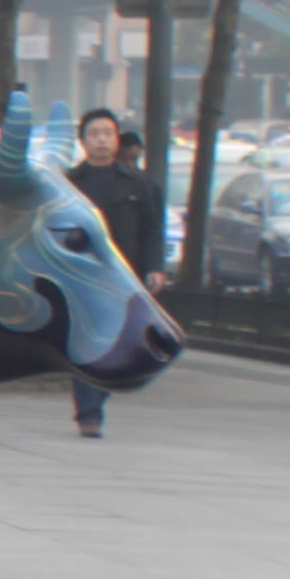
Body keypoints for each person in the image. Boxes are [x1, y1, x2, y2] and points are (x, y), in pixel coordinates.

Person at [63, 110, 167, 438]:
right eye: (95, 133)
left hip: (124, 274)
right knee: (85, 341)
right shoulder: (69, 184)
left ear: (117, 138)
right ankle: (88, 413)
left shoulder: (139, 183)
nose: (102, 140)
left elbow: (152, 229)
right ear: (83, 141)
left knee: (118, 341)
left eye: (108, 133)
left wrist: (154, 266)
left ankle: (99, 394)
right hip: (82, 273)